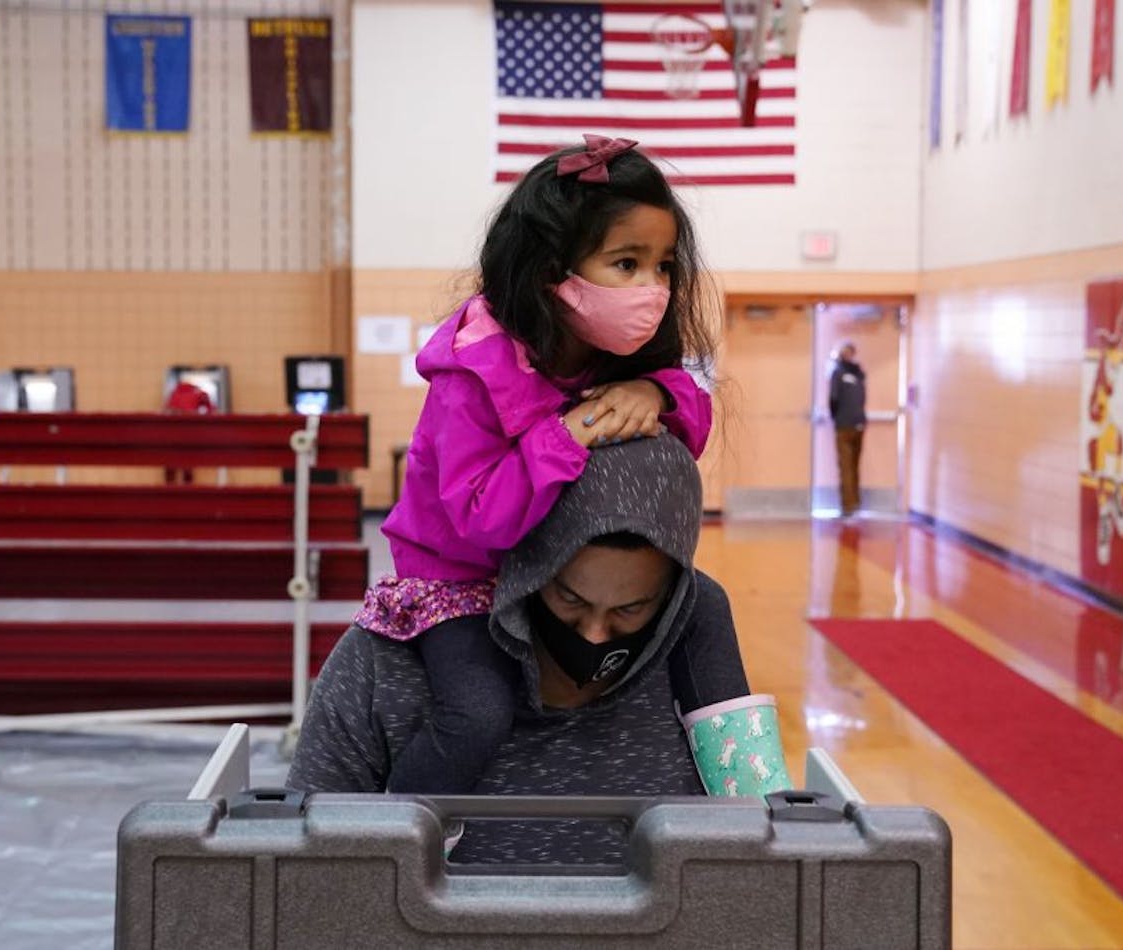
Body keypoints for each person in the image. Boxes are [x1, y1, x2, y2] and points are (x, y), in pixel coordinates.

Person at [355, 134, 746, 796]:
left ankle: (748, 802)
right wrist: (571, 432)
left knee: (705, 605)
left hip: (549, 560)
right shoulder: (473, 372)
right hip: (462, 577)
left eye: (662, 266)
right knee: (474, 712)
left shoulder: (610, 348)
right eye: (626, 264)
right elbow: (481, 518)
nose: (651, 288)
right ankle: (406, 831)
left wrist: (653, 392)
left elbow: (694, 416)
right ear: (549, 269)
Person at [288, 436, 788, 864]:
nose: (593, 635)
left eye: (630, 611)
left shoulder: (697, 640)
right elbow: (311, 877)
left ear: (676, 595)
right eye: (569, 599)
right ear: (525, 568)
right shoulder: (385, 664)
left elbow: (764, 859)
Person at [827, 342, 867, 516]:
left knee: (847, 466)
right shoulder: (858, 374)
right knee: (852, 465)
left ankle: (849, 506)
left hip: (845, 424)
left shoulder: (839, 373)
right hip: (858, 422)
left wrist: (835, 416)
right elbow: (862, 398)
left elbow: (833, 398)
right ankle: (854, 503)